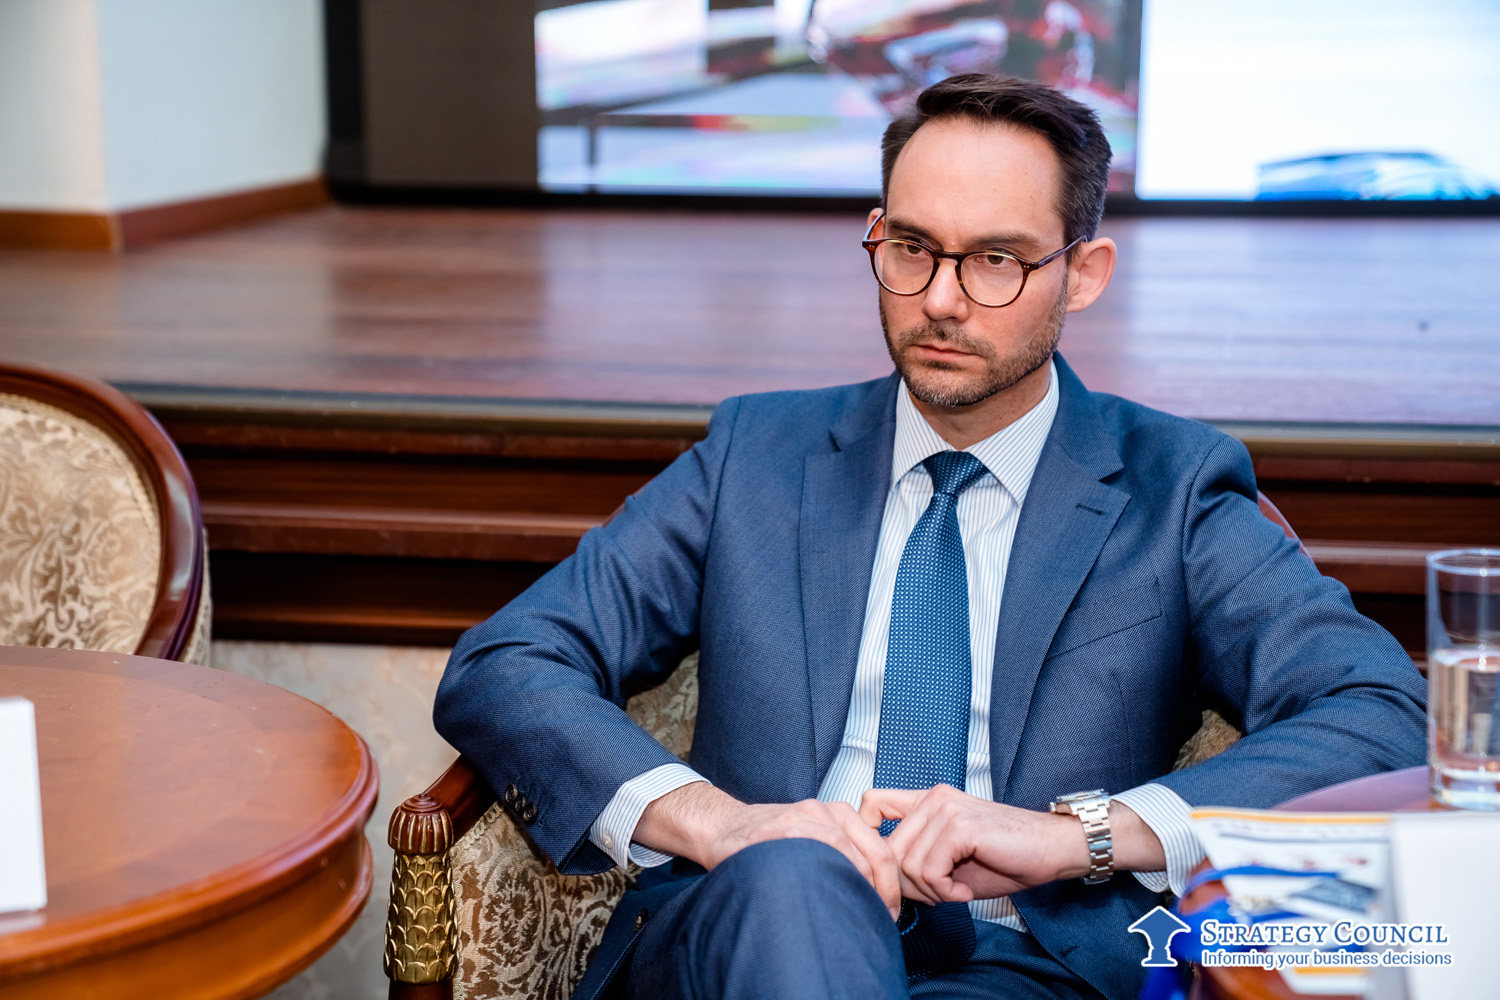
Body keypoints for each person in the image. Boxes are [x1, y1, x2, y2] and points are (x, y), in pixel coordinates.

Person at [434, 74, 1425, 1000]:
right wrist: (725, 825)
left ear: (1082, 274)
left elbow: (1380, 710)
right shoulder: (757, 455)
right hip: (744, 935)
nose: (941, 300)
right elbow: (509, 661)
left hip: (1028, 964)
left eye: (996, 259)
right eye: (912, 248)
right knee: (796, 880)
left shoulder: (1172, 487)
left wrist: (1076, 834)